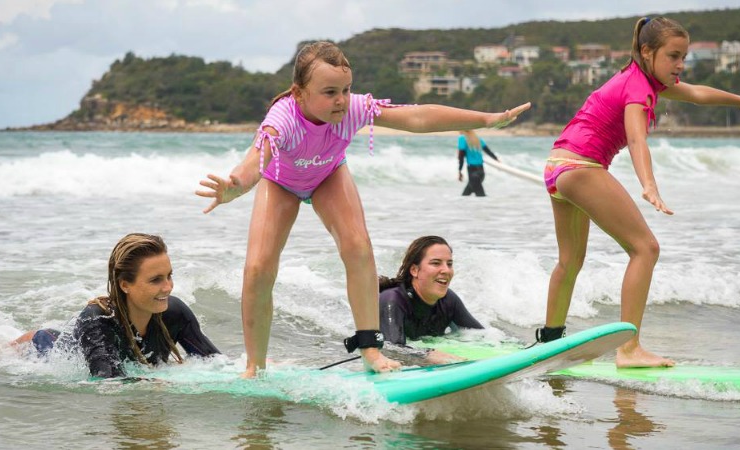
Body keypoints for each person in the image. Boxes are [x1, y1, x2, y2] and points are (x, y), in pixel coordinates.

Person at [195, 41, 529, 378]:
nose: (341, 99)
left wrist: (486, 119)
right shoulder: (283, 117)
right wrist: (234, 186)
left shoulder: (352, 108)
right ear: (299, 92)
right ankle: (255, 365)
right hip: (280, 181)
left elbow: (417, 115)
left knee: (358, 247)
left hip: (328, 175)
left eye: (346, 89)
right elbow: (256, 160)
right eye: (329, 92)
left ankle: (370, 348)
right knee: (258, 268)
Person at [539, 17, 740, 367]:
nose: (680, 65)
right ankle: (629, 349)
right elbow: (636, 137)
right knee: (645, 248)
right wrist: (648, 184)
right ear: (647, 52)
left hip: (558, 166)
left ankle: (549, 340)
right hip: (581, 167)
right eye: (674, 56)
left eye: (684, 58)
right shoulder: (637, 88)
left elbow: (695, 93)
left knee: (570, 261)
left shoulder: (642, 78)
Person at [12, 233, 221, 378]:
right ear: (125, 285)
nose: (168, 287)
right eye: (155, 280)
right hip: (43, 347)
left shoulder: (175, 313)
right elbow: (108, 382)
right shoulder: (97, 319)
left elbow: (215, 364)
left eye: (169, 276)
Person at [378, 236, 484, 365]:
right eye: (436, 263)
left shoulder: (449, 299)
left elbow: (479, 334)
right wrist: (426, 354)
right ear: (414, 270)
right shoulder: (392, 300)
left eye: (449, 264)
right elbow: (390, 349)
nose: (446, 270)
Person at [457, 129, 500, 196]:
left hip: (473, 173)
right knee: (465, 196)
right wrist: (497, 160)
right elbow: (488, 151)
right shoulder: (477, 139)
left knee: (481, 197)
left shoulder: (462, 138)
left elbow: (461, 157)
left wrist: (459, 171)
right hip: (481, 173)